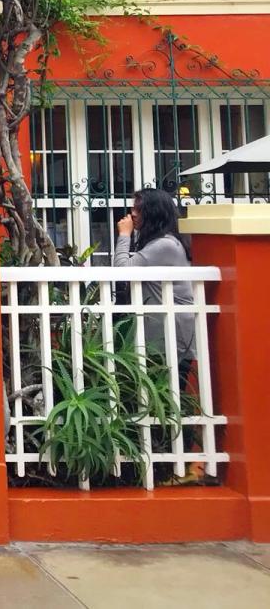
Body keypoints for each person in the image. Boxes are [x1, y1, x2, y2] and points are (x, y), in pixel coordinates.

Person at [114, 187, 205, 482]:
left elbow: (123, 270)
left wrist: (124, 234)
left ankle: (182, 464)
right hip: (160, 334)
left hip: (170, 336)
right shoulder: (161, 244)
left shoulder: (164, 246)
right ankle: (170, 462)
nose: (132, 214)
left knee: (170, 397)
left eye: (138, 209)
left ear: (153, 212)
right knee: (161, 396)